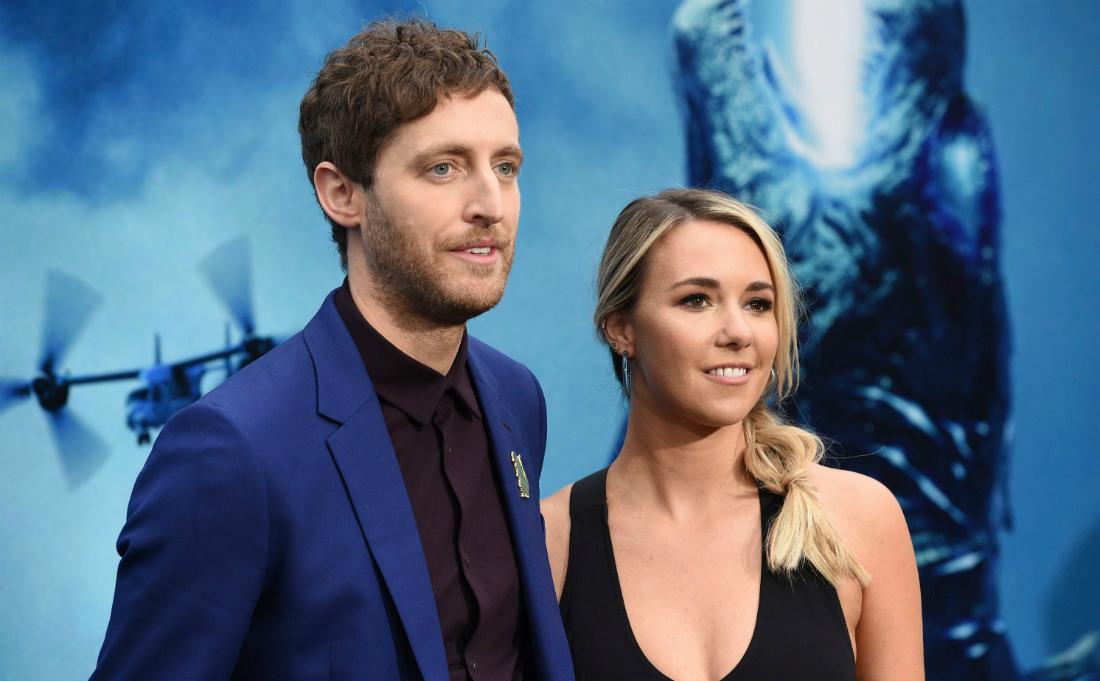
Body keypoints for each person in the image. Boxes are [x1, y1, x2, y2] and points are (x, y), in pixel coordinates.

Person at [91, 19, 573, 681]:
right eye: (443, 167)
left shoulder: (519, 399)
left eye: (506, 167)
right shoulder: (228, 452)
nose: (491, 203)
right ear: (341, 192)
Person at [542, 188, 923, 681]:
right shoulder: (550, 542)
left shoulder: (857, 520)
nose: (738, 331)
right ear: (622, 329)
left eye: (758, 304)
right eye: (697, 300)